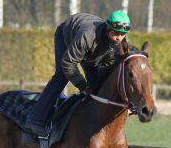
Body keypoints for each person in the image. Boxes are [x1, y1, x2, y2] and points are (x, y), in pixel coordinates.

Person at [29, 9, 131, 137]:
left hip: (91, 50)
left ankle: (89, 122)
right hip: (67, 35)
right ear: (107, 29)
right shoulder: (87, 36)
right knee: (61, 76)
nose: (119, 38)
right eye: (116, 33)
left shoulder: (122, 43)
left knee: (96, 83)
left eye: (123, 34)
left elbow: (109, 68)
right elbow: (68, 63)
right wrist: (83, 86)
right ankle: (36, 119)